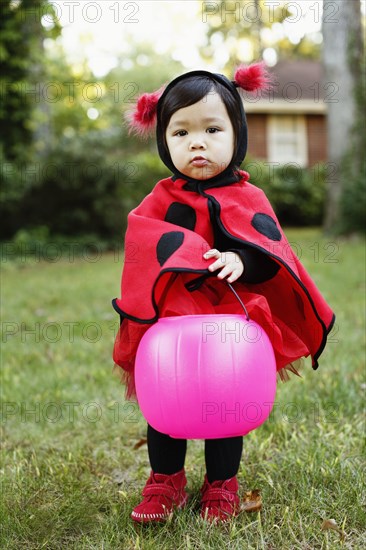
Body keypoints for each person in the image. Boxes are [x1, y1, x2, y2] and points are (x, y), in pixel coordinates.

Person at [112, 63, 335, 523]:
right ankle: (165, 480)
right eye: (181, 132)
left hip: (231, 314)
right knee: (167, 401)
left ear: (237, 135)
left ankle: (221, 484)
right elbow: (146, 248)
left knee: (225, 401)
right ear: (164, 141)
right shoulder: (158, 200)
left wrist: (240, 259)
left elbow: (268, 251)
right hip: (173, 318)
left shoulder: (247, 197)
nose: (197, 142)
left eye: (213, 128)